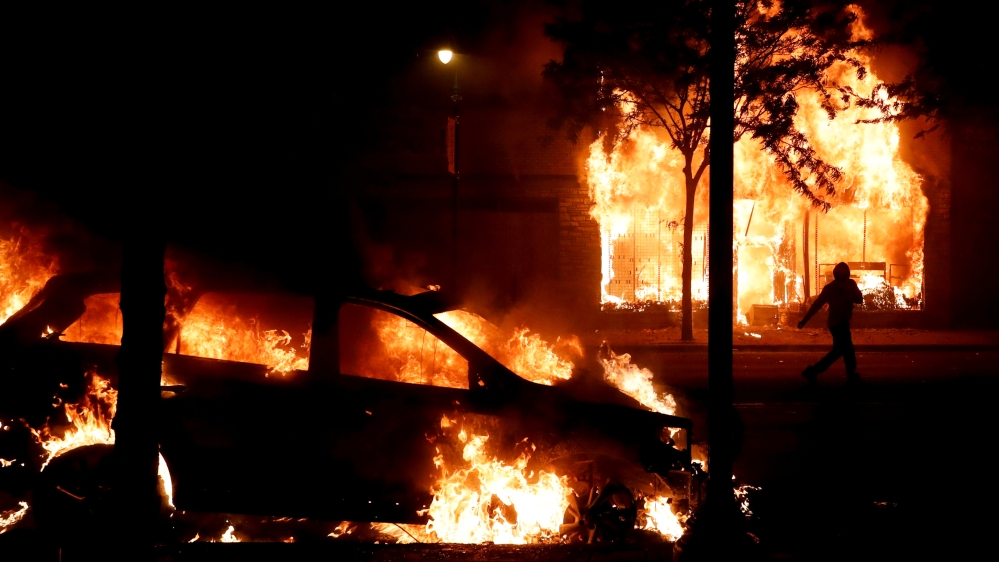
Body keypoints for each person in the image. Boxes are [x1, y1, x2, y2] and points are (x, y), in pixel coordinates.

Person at [797, 262, 864, 384]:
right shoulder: (831, 288)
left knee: (839, 350)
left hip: (838, 323)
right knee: (847, 350)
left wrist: (849, 293)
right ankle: (850, 375)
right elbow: (817, 305)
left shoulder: (848, 285)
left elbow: (859, 299)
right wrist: (805, 320)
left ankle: (813, 371)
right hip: (838, 324)